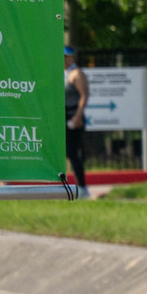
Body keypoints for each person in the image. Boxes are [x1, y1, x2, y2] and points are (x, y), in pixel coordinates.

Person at [64, 47, 90, 189]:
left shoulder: (76, 73)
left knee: (73, 152)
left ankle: (82, 186)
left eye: (67, 56)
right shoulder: (64, 73)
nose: (64, 59)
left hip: (74, 115)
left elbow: (84, 96)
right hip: (63, 115)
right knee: (68, 152)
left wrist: (77, 117)